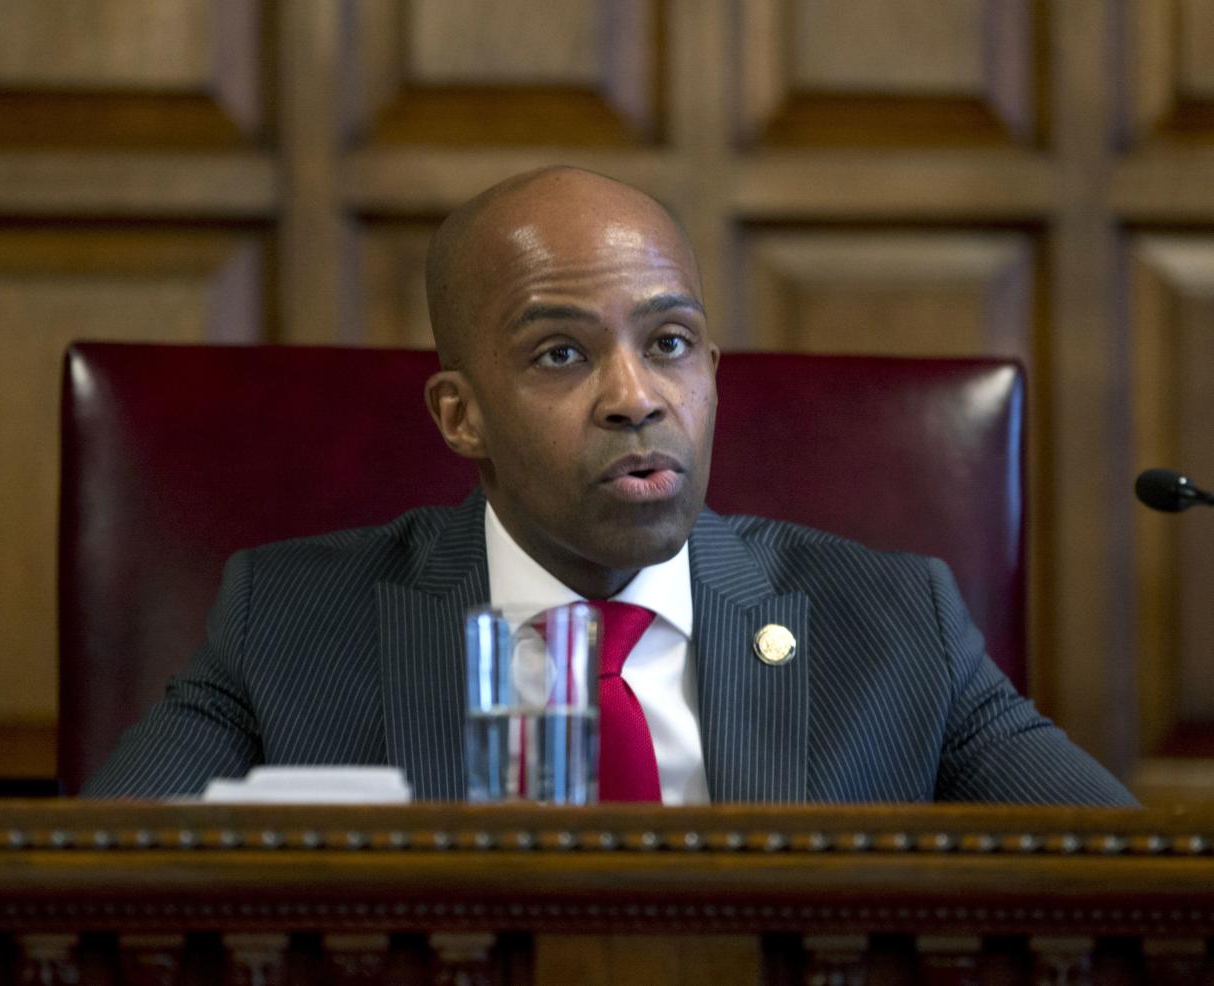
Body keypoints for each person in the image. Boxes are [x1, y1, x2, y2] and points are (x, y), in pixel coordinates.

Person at [85, 167, 1136, 805]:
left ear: (711, 373)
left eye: (670, 342)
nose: (636, 397)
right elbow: (95, 894)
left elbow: (1138, 891)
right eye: (559, 355)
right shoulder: (291, 623)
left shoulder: (894, 623)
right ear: (460, 415)